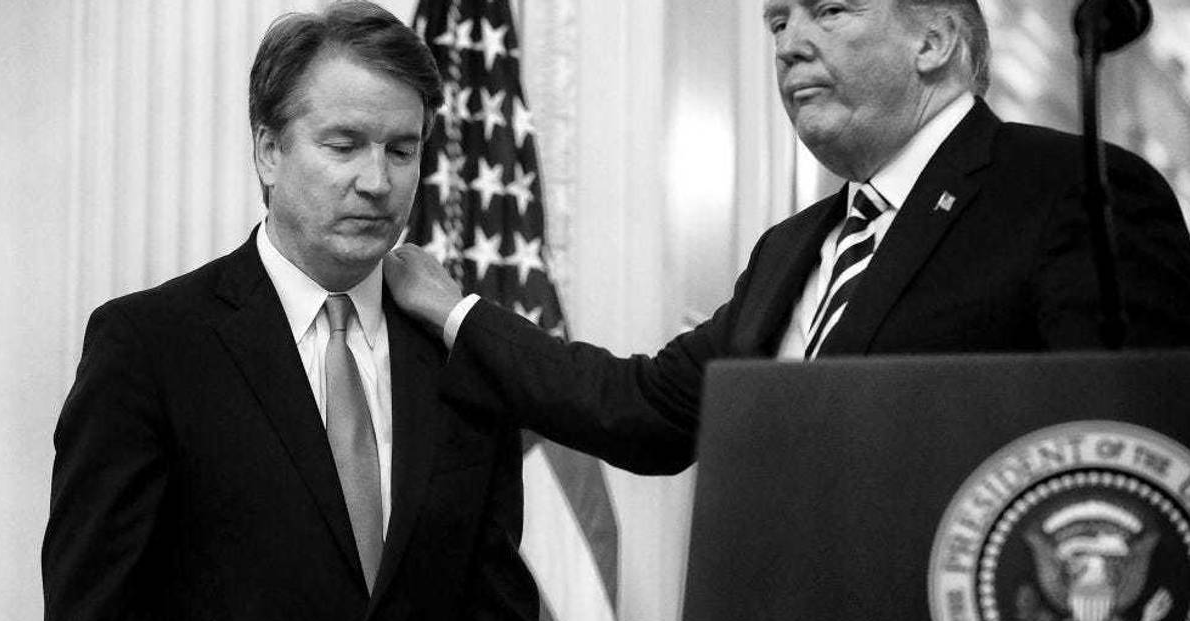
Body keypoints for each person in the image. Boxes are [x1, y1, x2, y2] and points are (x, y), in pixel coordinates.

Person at [384, 0, 1190, 475]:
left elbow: (1127, 463)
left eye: (829, 9)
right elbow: (644, 410)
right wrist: (458, 315)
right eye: (777, 21)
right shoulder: (791, 248)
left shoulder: (1070, 191)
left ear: (932, 41)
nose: (789, 42)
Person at [42, 3, 546, 621]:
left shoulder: (457, 355)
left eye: (402, 150)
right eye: (344, 146)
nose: (378, 182)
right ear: (268, 151)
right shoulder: (150, 348)